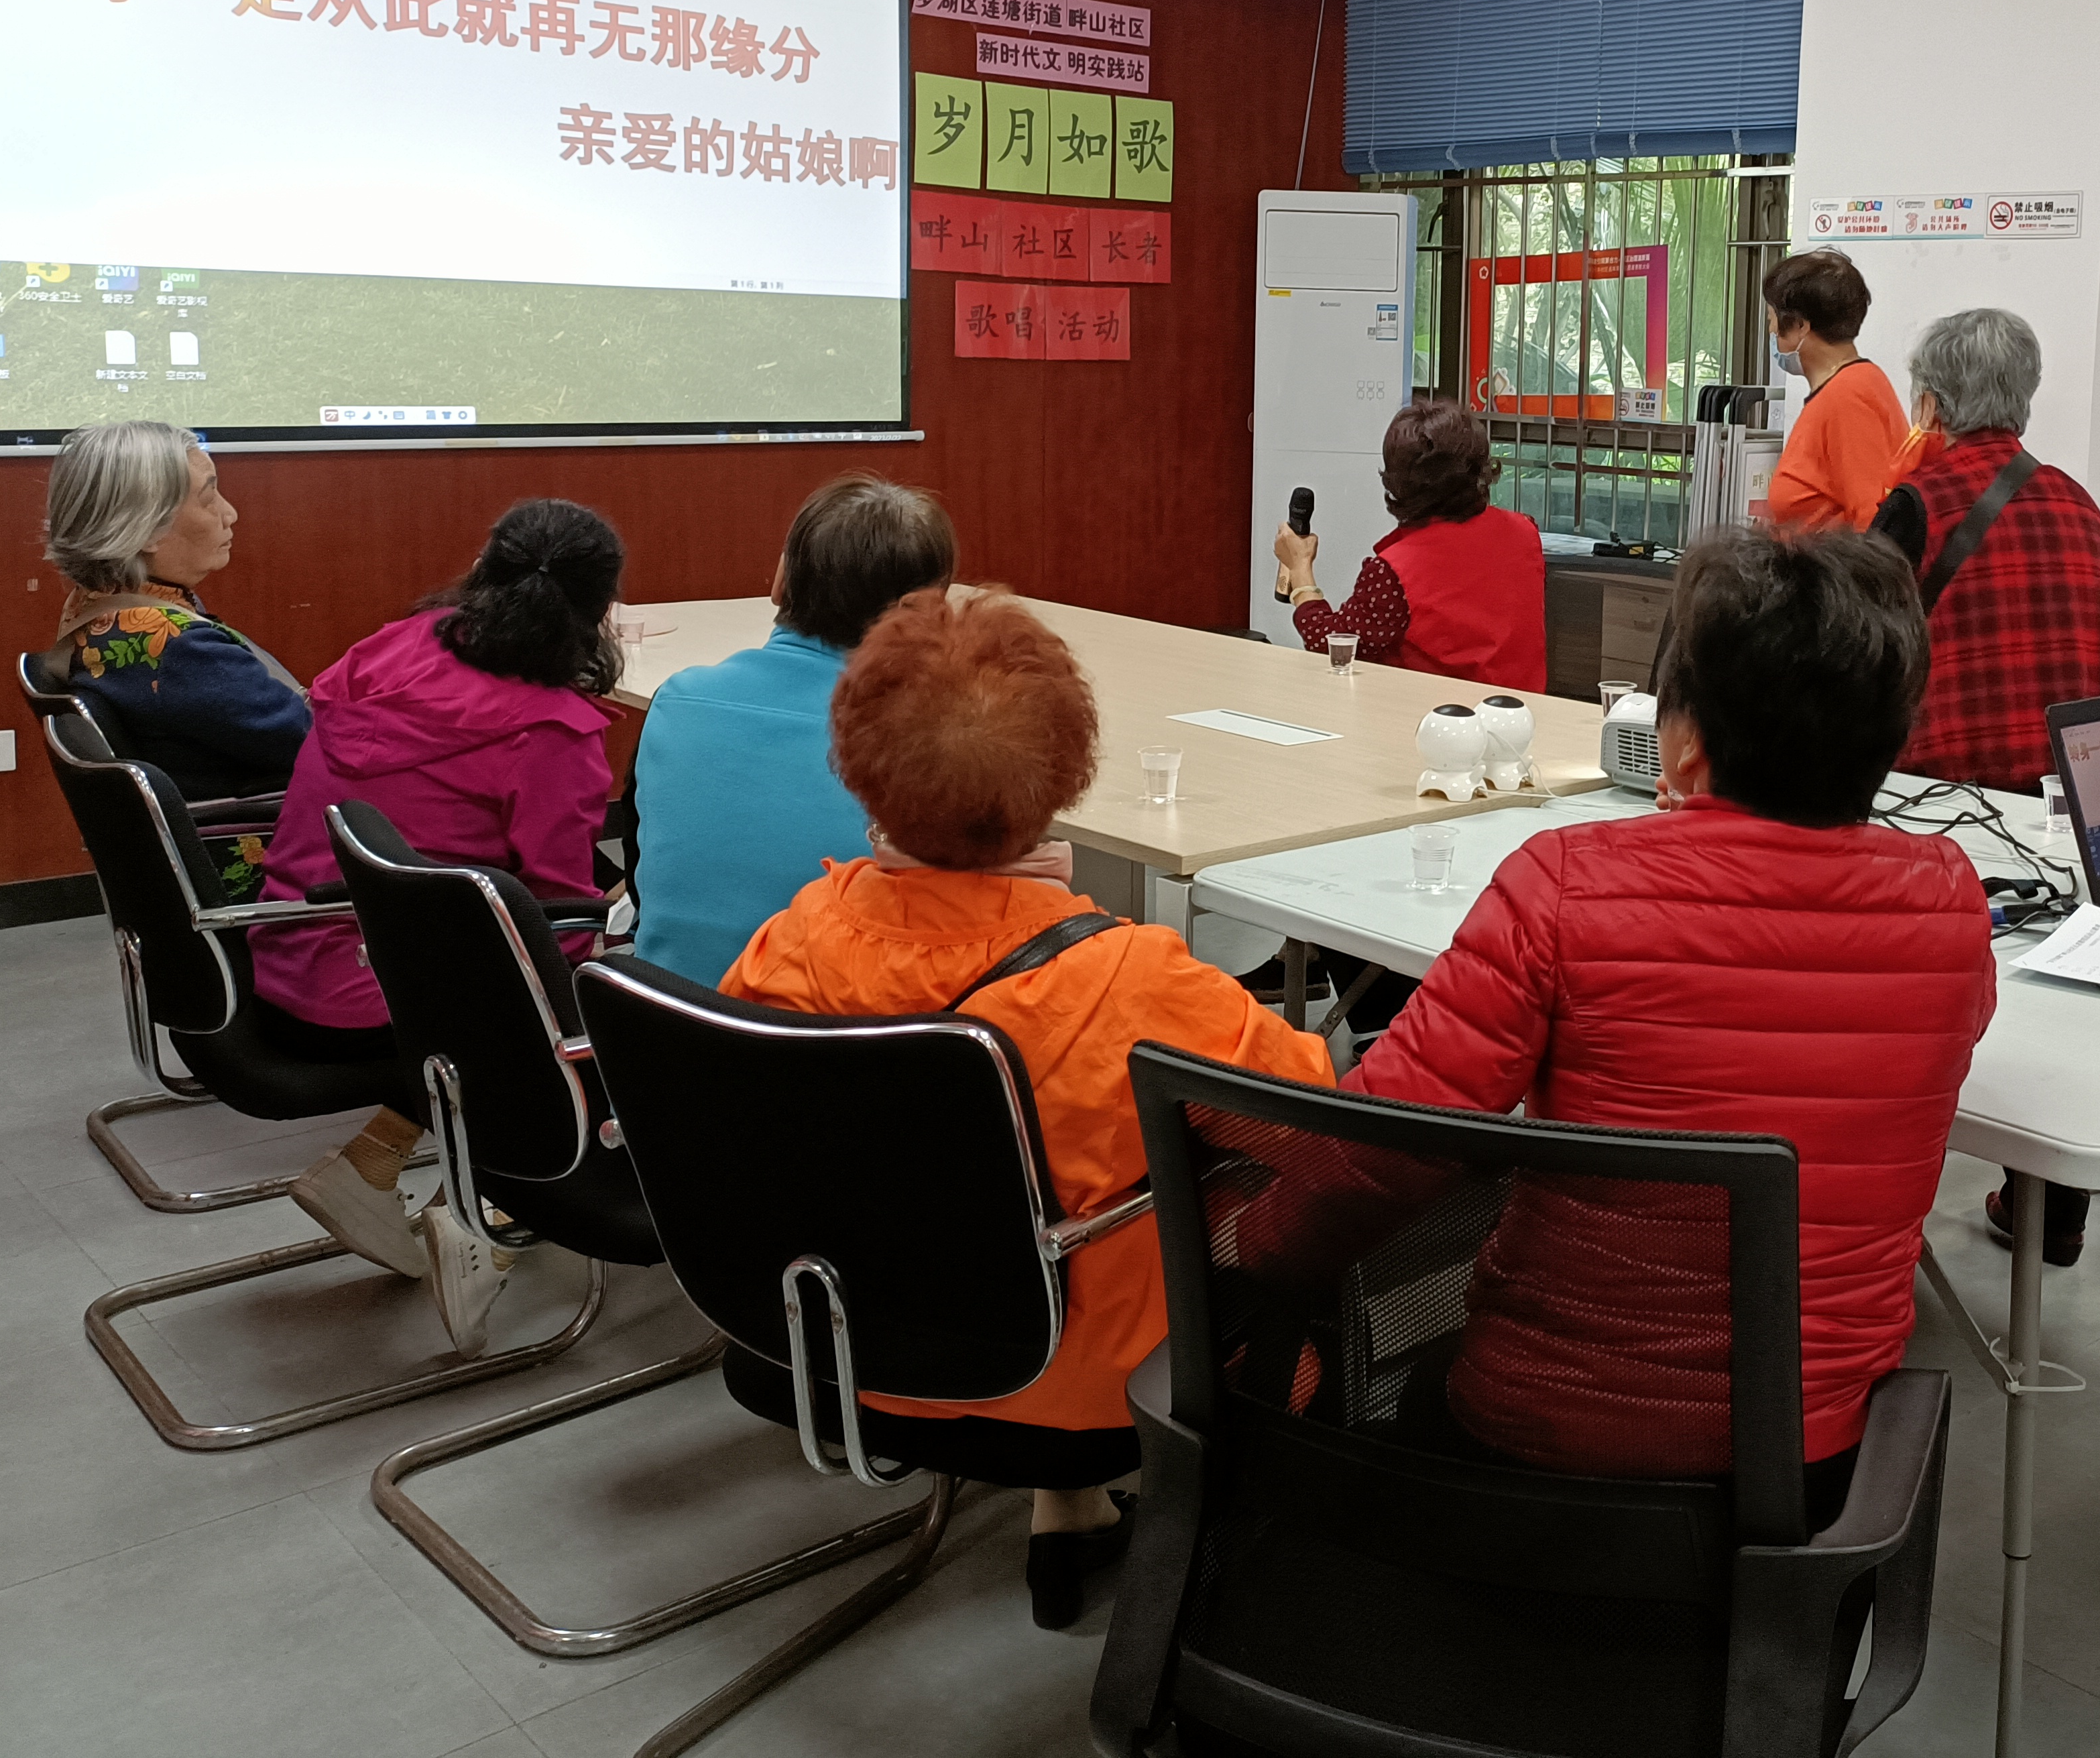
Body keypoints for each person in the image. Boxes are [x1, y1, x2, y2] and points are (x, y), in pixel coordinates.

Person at [1320, 528, 1995, 1515]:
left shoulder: (1564, 884)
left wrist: (1242, 1255)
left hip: (1544, 1447)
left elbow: (1373, 1151)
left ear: (1681, 742)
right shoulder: (1951, 902)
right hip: (1811, 1472)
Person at [723, 587, 1334, 1627]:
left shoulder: (794, 939)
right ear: (1065, 779)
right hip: (1076, 1381)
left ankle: (1071, 1507)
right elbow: (1309, 1123)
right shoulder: (1134, 979)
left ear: (859, 766)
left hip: (831, 1342)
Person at [253, 500, 627, 1352]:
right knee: (605, 1000)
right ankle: (488, 1221)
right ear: (599, 612)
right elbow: (556, 921)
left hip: (292, 941)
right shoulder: (551, 732)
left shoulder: (385, 650)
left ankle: (373, 1164)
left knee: (492, 957)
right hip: (380, 991)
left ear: (484, 570)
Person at [1870, 307, 2100, 1267]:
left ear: (1930, 405)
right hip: (2080, 803)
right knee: (2054, 1008)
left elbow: (1862, 652)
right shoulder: (2080, 503)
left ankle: (1884, 1179)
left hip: (1950, 799)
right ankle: (2048, 1205)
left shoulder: (1916, 502)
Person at [629, 475, 957, 985]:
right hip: (831, 1030)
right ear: (919, 612)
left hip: (659, 1022)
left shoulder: (677, 699)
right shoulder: (913, 748)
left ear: (781, 579)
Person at [40, 422, 310, 896]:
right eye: (209, 497)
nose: (230, 513)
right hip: (273, 863)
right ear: (148, 527)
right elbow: (314, 740)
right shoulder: (175, 646)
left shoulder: (100, 609)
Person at [1275, 397, 1546, 692]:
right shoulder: (1525, 532)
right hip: (1519, 710)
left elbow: (1333, 646)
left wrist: (1300, 569)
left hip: (1432, 714)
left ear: (1397, 482)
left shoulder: (1393, 572)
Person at [1760, 247, 1911, 531]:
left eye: (1772, 318)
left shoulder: (1848, 398)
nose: (1770, 331)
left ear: (1801, 326)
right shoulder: (1848, 387)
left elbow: (1872, 523)